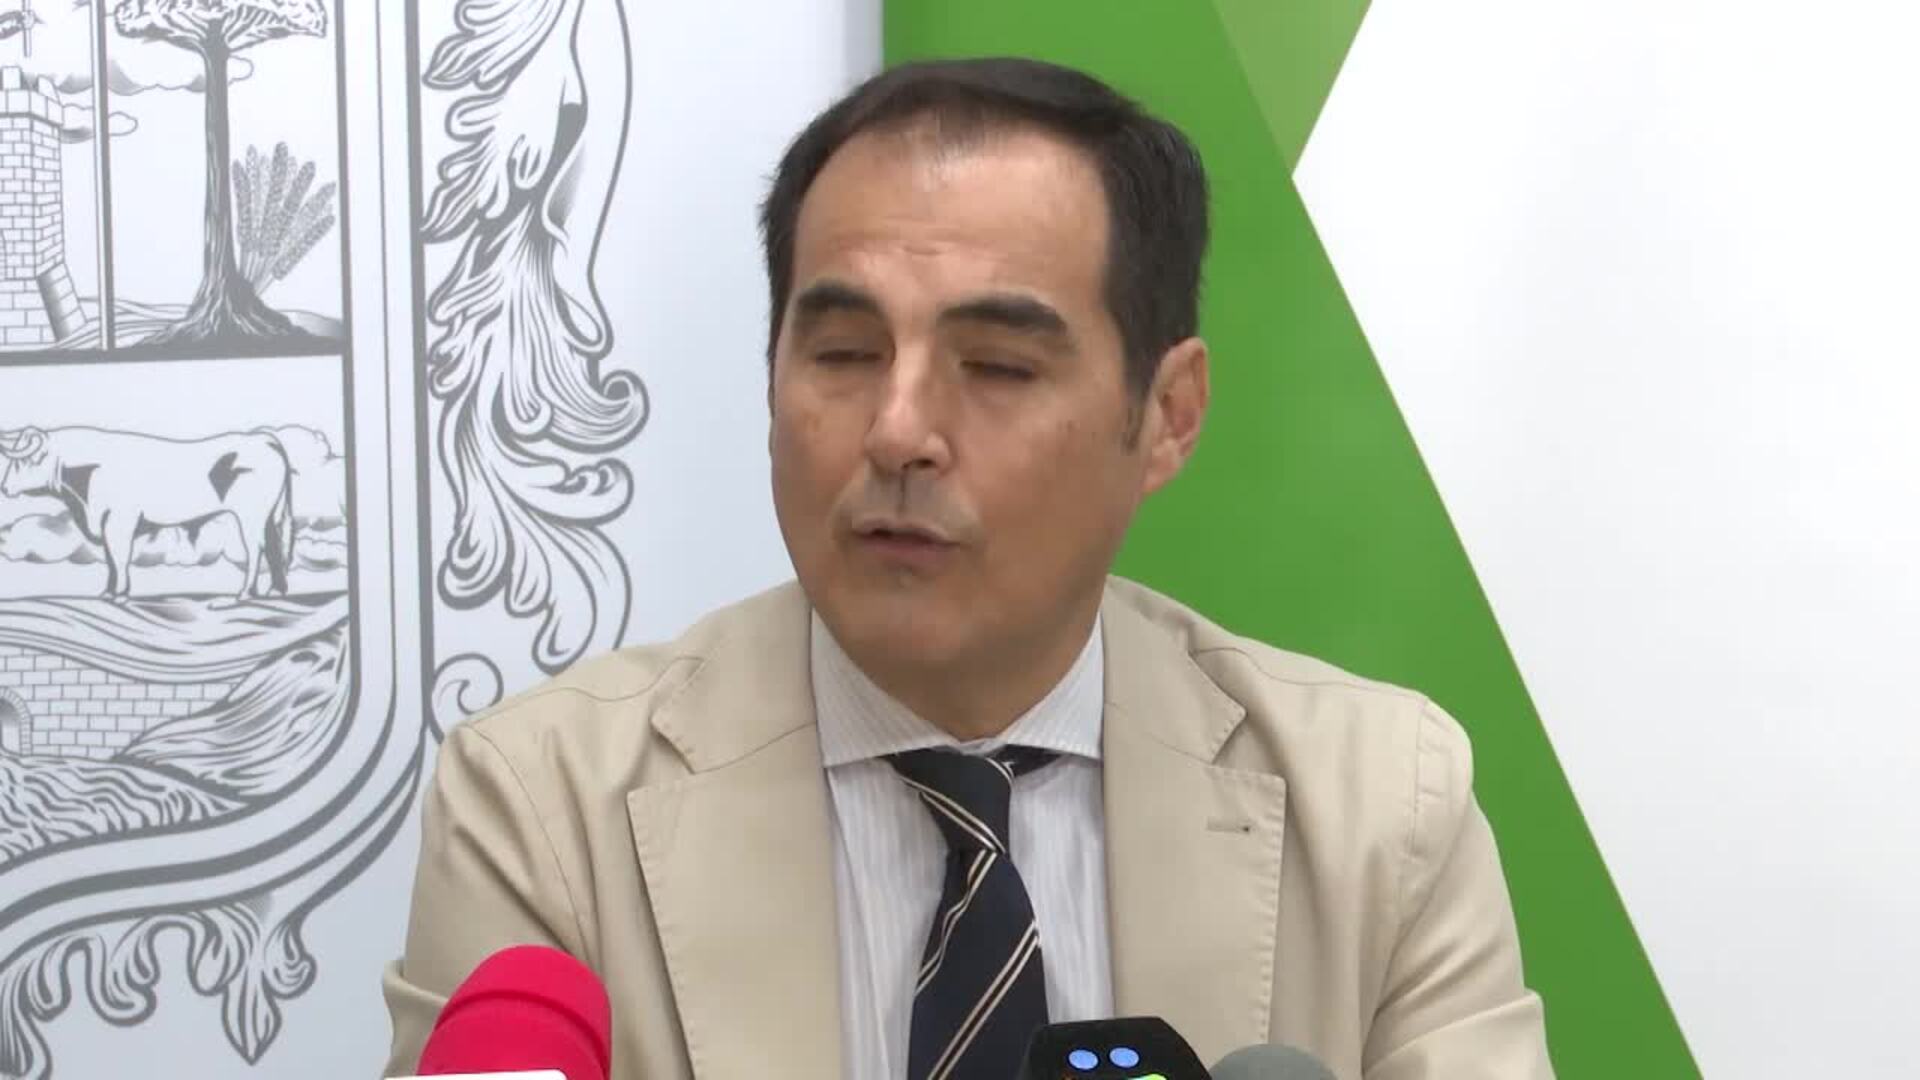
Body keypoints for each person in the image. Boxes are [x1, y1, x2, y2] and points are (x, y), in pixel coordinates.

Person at [383, 57, 1553, 1080]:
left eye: (996, 366)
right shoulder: (547, 806)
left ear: (1167, 414)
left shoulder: (1378, 810)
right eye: (844, 352)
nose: (898, 432)